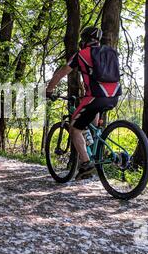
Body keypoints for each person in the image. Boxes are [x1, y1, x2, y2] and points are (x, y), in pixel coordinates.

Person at [46, 27, 122, 180]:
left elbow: (61, 73)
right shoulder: (108, 52)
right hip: (114, 95)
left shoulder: (81, 55)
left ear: (85, 40)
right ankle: (94, 151)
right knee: (89, 117)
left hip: (95, 97)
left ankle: (87, 164)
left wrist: (49, 89)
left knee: (74, 128)